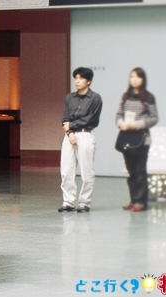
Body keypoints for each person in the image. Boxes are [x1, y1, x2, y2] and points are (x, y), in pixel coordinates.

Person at [59, 67, 102, 213]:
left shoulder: (95, 98)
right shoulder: (69, 97)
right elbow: (65, 117)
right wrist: (70, 132)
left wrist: (72, 125)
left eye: (81, 78)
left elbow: (92, 120)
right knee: (66, 170)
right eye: (76, 78)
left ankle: (84, 202)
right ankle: (68, 201)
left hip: (86, 135)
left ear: (88, 81)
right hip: (69, 136)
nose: (77, 81)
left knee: (86, 171)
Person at [117, 67, 158, 212]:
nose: (134, 79)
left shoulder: (148, 97)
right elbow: (119, 114)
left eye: (137, 77)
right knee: (131, 171)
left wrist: (137, 124)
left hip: (142, 139)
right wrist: (120, 123)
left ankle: (141, 203)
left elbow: (154, 118)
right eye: (132, 77)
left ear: (143, 80)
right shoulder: (125, 96)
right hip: (127, 138)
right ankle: (133, 200)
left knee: (140, 172)